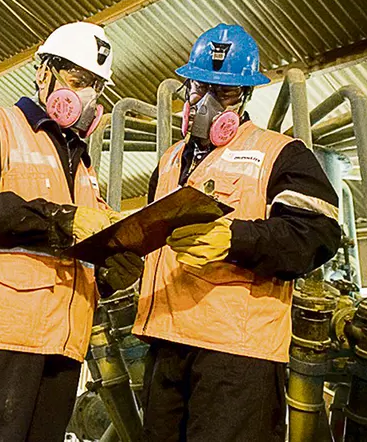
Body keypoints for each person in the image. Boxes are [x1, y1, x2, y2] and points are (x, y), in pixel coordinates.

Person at [0, 22, 143, 442]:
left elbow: (86, 239)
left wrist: (120, 256)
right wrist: (59, 220)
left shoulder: (81, 165)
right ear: (44, 72)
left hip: (61, 349)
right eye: (77, 79)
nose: (85, 96)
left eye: (95, 86)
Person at [134, 24, 343, 441]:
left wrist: (235, 239)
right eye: (200, 88)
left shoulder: (280, 154)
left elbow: (316, 234)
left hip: (237, 357)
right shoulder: (171, 161)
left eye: (225, 93)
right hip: (166, 344)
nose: (208, 102)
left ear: (245, 96)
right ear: (187, 88)